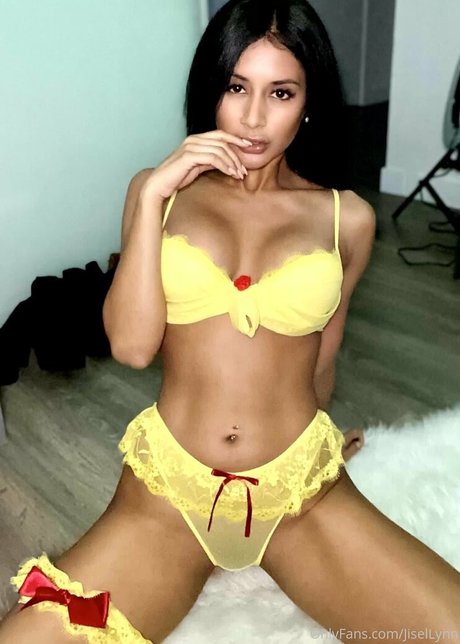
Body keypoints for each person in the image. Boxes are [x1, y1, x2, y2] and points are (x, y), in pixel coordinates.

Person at [1, 0, 460, 642]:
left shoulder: (347, 219)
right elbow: (131, 347)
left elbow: (321, 357)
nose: (252, 117)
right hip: (169, 497)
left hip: (299, 495)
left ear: (309, 103)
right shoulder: (157, 194)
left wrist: (330, 447)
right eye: (236, 87)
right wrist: (154, 196)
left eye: (281, 92)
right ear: (211, 89)